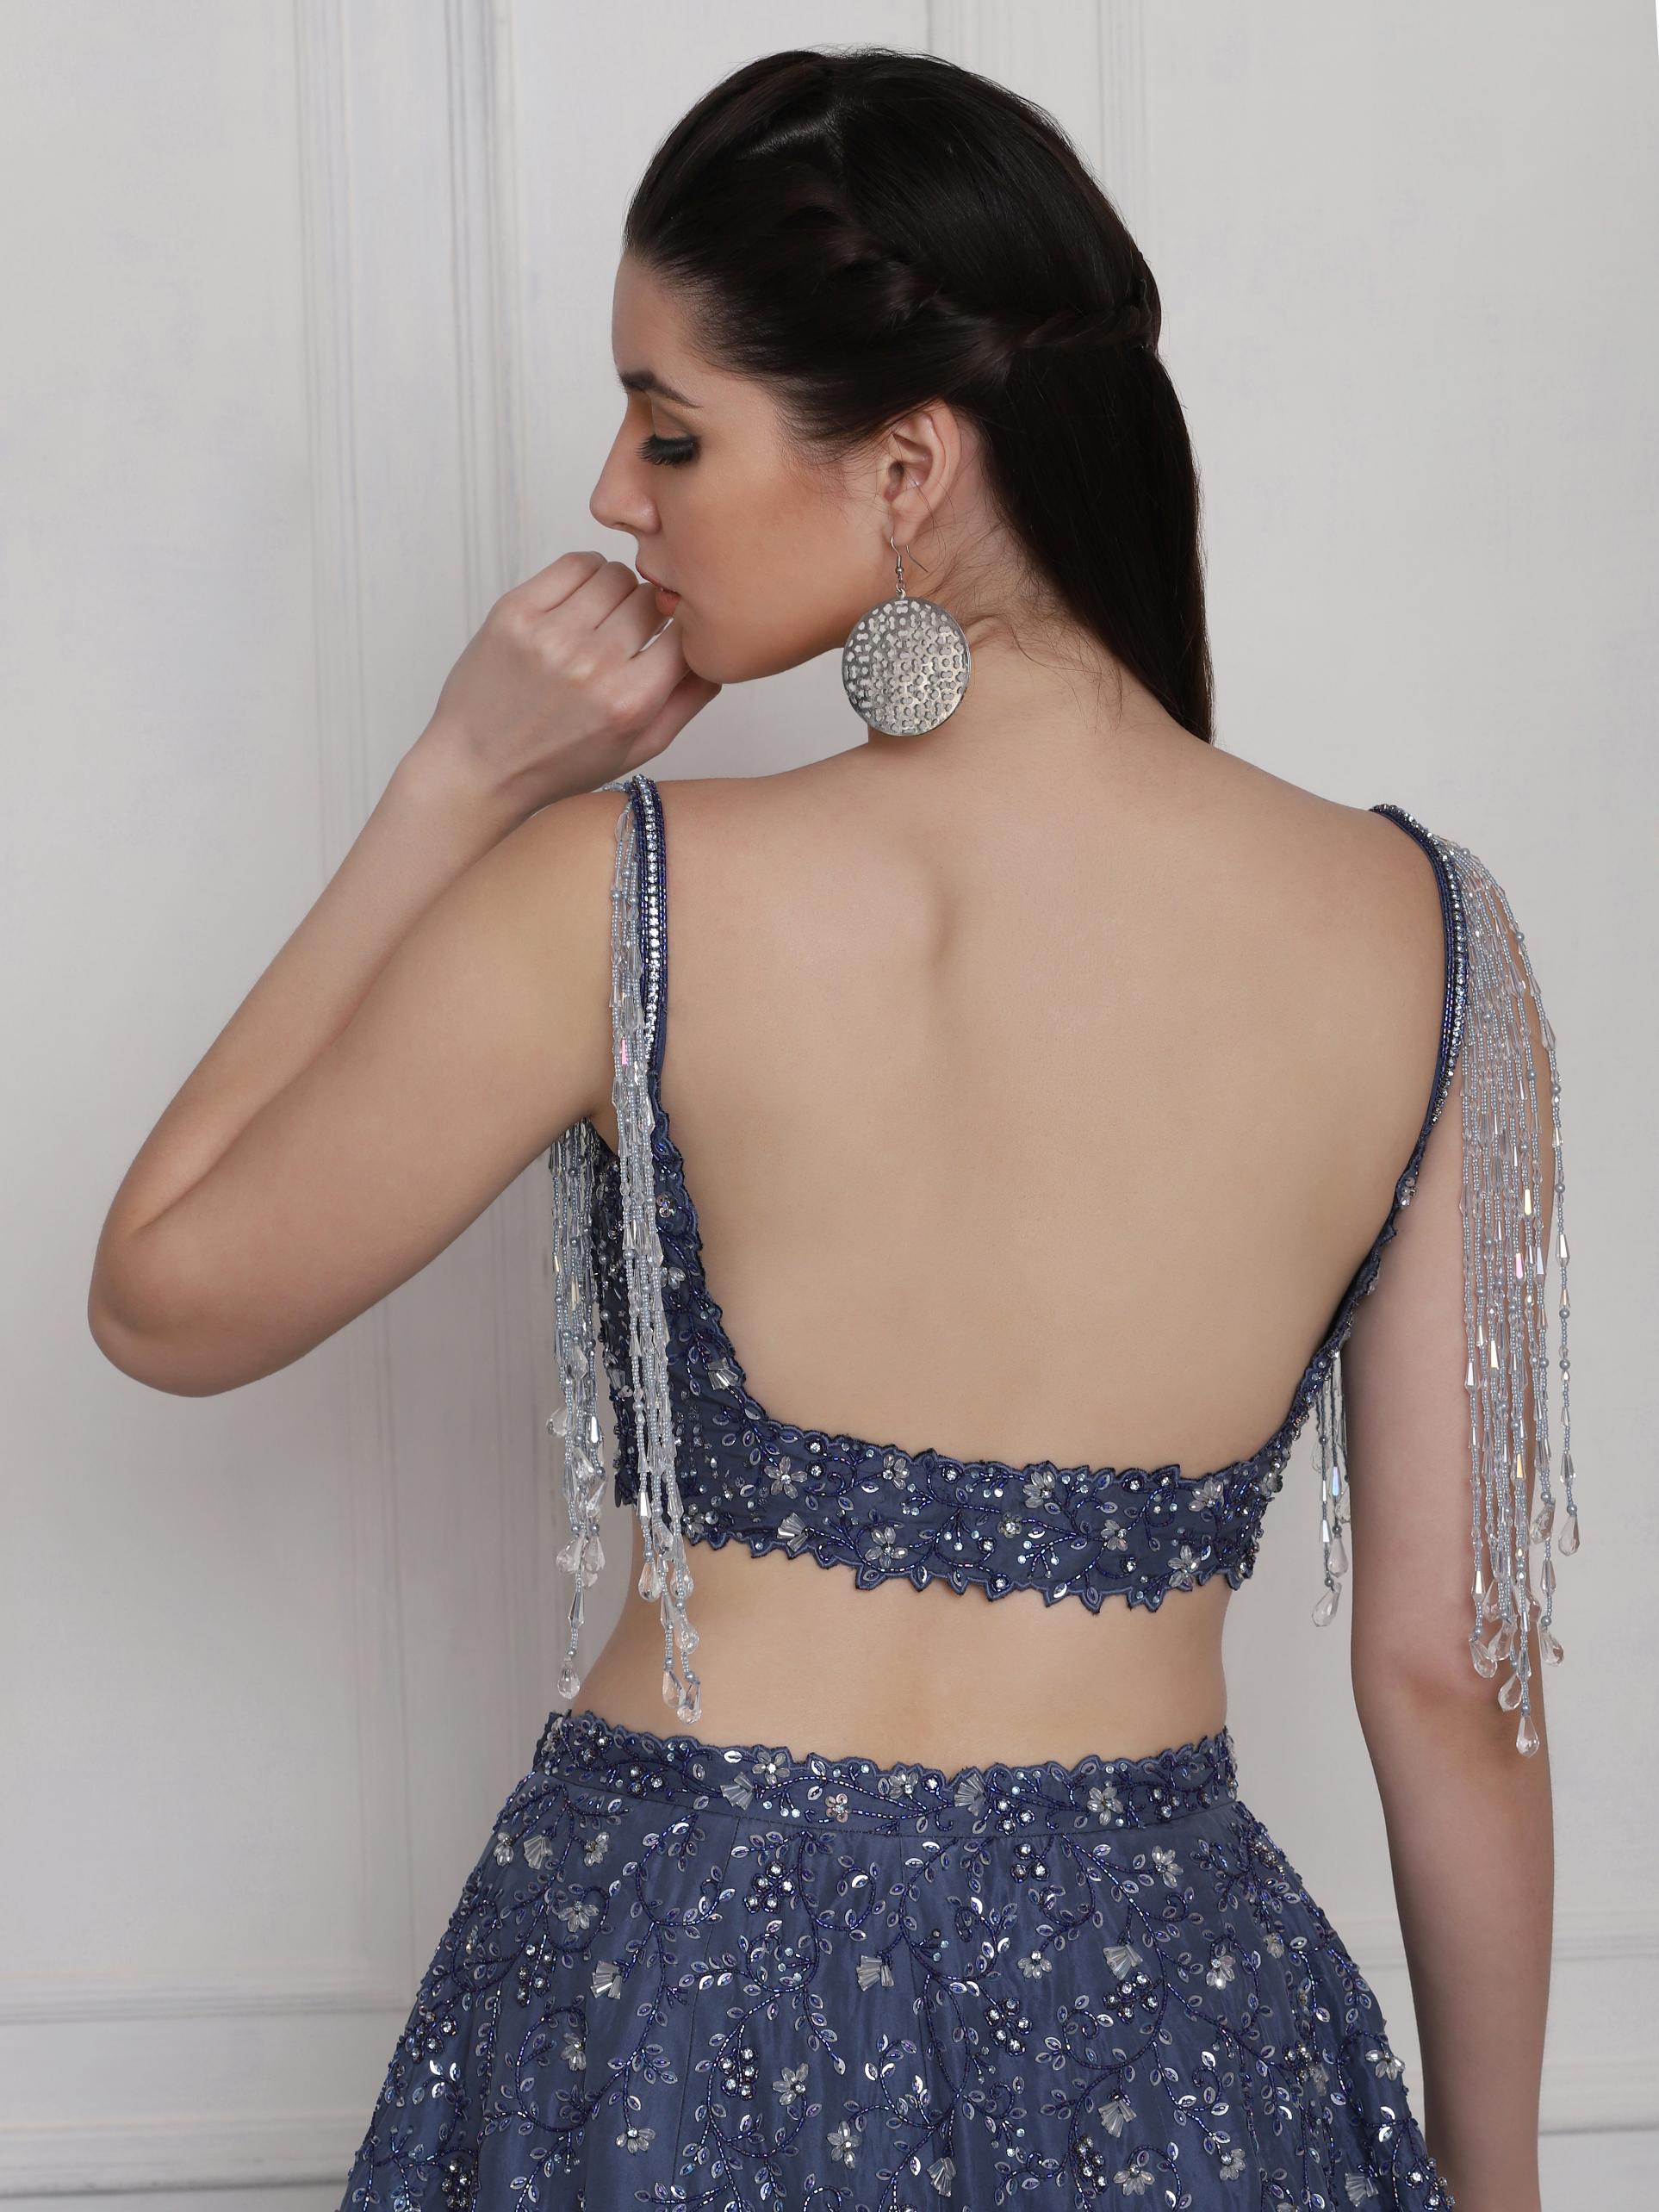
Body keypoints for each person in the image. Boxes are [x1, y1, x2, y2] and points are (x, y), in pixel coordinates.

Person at [86, 46, 1577, 2212]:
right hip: (1175, 2037)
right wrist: (1501, 2187)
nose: (616, 492)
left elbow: (165, 1294)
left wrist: (456, 784)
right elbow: (1445, 1681)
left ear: (907, 466)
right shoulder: (1432, 939)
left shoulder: (618, 893)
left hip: (665, 1994)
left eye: (671, 428)